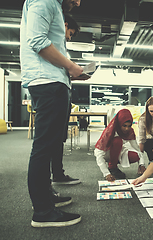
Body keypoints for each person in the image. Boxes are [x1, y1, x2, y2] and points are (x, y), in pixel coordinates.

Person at [21, 0, 83, 227]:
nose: (77, 2)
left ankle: (45, 199)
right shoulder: (45, 0)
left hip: (53, 81)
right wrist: (71, 66)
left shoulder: (54, 5)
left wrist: (68, 69)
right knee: (44, 147)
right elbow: (37, 40)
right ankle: (43, 212)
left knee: (50, 145)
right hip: (47, 81)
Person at [51, 13, 81, 185]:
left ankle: (58, 173)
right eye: (70, 33)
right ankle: (48, 183)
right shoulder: (52, 43)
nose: (69, 38)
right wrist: (71, 67)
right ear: (65, 24)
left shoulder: (60, 47)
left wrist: (74, 75)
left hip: (63, 89)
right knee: (51, 139)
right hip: (54, 91)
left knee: (59, 137)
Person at [95, 109, 146, 180]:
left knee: (135, 156)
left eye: (129, 126)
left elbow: (137, 149)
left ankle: (114, 166)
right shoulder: (110, 131)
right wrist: (106, 173)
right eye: (124, 126)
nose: (126, 129)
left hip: (118, 152)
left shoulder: (130, 131)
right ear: (119, 123)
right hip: (106, 153)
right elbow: (99, 155)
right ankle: (112, 167)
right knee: (117, 141)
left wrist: (141, 164)